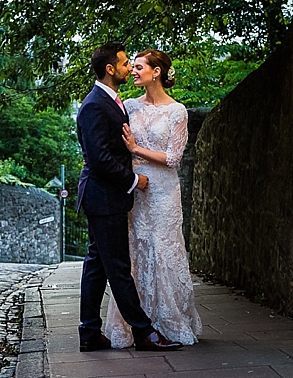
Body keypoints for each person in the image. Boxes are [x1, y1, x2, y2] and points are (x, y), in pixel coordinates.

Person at [76, 42, 182, 353]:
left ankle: (89, 333)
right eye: (124, 64)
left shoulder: (112, 101)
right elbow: (99, 159)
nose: (128, 68)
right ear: (110, 69)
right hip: (103, 197)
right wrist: (134, 179)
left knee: (96, 264)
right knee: (119, 267)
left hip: (104, 197)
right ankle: (144, 333)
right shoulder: (95, 104)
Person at [105, 48, 203, 348]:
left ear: (155, 72)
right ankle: (139, 325)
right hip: (137, 190)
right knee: (137, 251)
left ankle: (169, 321)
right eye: (131, 66)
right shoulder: (130, 107)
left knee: (164, 250)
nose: (132, 71)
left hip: (163, 191)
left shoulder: (177, 111)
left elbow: (173, 157)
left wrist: (137, 150)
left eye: (138, 67)